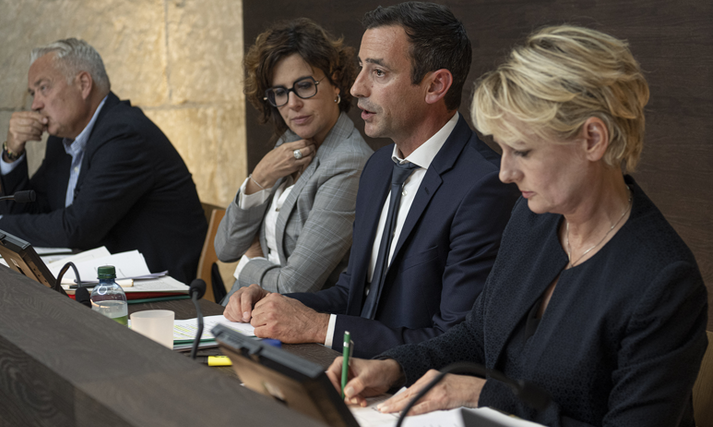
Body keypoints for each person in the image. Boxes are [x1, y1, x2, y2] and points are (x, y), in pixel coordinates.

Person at [327, 25, 709, 426]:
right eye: (502, 148)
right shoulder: (533, 219)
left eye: (522, 151)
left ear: (593, 139)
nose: (506, 173)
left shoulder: (663, 282)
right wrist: (392, 367)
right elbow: (477, 336)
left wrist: (485, 395)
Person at [224, 2, 519, 358]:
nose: (356, 88)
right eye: (361, 68)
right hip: (352, 370)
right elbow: (353, 294)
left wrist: (319, 328)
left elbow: (456, 341)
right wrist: (275, 301)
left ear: (435, 85)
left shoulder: (485, 186)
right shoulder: (379, 166)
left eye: (378, 73)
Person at [0, 38, 207, 284]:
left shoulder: (125, 134)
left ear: (84, 84)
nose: (35, 105)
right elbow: (25, 210)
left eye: (43, 88)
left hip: (159, 288)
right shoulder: (63, 140)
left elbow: (77, 228)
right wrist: (12, 151)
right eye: (33, 93)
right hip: (99, 280)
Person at [215, 18, 372, 303]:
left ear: (335, 81)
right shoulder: (290, 142)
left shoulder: (349, 164)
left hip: (294, 333)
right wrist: (258, 179)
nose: (292, 103)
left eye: (304, 86)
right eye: (280, 92)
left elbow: (293, 286)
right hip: (241, 313)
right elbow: (225, 248)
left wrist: (250, 260)